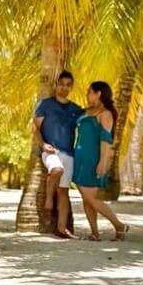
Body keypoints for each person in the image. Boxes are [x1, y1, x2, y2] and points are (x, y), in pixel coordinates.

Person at [73, 81, 129, 241]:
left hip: (93, 159)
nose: (87, 94)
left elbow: (106, 141)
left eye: (89, 92)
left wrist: (103, 162)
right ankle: (94, 233)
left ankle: (119, 225)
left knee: (91, 198)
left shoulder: (106, 114)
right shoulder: (86, 111)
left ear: (98, 94)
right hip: (79, 158)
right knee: (86, 198)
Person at [33, 71, 84, 238]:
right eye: (62, 84)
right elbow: (36, 130)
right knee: (56, 170)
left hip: (69, 153)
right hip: (51, 151)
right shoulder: (45, 104)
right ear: (57, 84)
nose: (64, 87)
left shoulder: (76, 110)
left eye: (68, 85)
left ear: (71, 87)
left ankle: (62, 229)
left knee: (63, 192)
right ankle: (48, 200)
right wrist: (43, 144)